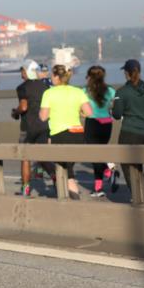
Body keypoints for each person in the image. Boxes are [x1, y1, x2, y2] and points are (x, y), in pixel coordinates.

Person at [111, 59, 144, 207]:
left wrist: (112, 109)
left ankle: (139, 194)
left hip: (130, 132)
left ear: (126, 73)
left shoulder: (121, 92)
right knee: (137, 164)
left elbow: (117, 115)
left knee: (127, 163)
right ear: (139, 72)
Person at [39, 64, 93, 200]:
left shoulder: (49, 93)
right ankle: (64, 197)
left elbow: (43, 116)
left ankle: (75, 203)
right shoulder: (78, 91)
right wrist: (77, 112)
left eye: (52, 75)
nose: (51, 77)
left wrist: (52, 111)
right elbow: (89, 112)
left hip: (60, 135)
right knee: (66, 169)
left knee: (67, 173)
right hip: (78, 134)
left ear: (57, 77)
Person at [12, 60, 53, 197]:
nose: (21, 73)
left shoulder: (22, 88)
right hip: (43, 125)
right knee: (43, 157)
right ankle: (57, 179)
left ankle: (26, 188)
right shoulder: (45, 87)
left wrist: (15, 112)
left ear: (27, 71)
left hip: (28, 127)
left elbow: (23, 107)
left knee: (25, 157)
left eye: (22, 70)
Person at [84, 65, 117, 198]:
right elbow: (113, 106)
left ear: (90, 77)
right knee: (99, 153)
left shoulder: (85, 91)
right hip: (107, 124)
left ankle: (108, 171)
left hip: (92, 123)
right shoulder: (110, 90)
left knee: (94, 154)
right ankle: (98, 188)